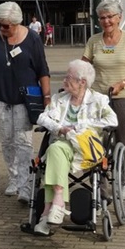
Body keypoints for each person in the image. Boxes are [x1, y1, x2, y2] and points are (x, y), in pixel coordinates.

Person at [33, 60, 117, 236]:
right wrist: (59, 128)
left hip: (85, 149)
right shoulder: (59, 99)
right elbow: (41, 118)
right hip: (63, 145)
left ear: (82, 82)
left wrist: (84, 126)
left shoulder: (98, 100)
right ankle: (57, 203)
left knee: (54, 153)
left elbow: (113, 121)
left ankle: (48, 212)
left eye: (68, 77)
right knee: (56, 150)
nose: (64, 80)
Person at [0, 1, 51, 204]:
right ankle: (13, 178)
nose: (2, 29)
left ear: (17, 23)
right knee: (7, 140)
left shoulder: (32, 38)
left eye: (6, 26)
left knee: (23, 141)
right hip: (0, 97)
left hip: (24, 98)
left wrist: (47, 97)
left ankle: (25, 184)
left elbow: (43, 70)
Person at [82, 1, 125, 153]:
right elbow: (83, 67)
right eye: (102, 18)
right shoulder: (94, 41)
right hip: (98, 97)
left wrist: (121, 84)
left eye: (110, 17)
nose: (106, 21)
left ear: (119, 18)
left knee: (123, 141)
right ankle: (98, 176)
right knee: (95, 141)